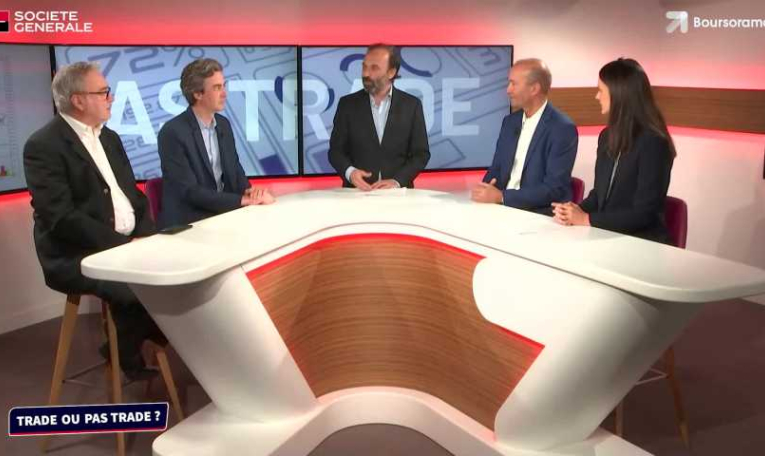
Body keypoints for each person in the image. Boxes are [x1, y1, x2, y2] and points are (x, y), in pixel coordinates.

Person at [24, 62, 164, 380]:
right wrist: (124, 244)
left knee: (182, 280)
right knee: (142, 291)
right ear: (78, 100)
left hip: (129, 244)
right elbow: (61, 218)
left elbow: (134, 197)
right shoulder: (43, 145)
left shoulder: (109, 137)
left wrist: (146, 237)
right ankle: (125, 350)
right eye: (103, 92)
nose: (110, 98)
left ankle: (123, 347)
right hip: (77, 253)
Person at [551, 58, 676, 244]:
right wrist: (574, 210)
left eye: (601, 90)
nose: (597, 96)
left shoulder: (654, 142)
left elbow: (644, 213)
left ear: (620, 95)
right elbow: (599, 195)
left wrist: (586, 219)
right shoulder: (607, 136)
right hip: (606, 235)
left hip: (642, 242)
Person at [157, 58, 274, 228]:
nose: (224, 93)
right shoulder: (172, 132)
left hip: (221, 215)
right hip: (189, 221)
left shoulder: (223, 124)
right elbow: (190, 191)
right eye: (217, 88)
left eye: (223, 86)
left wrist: (250, 191)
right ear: (198, 94)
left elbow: (234, 169)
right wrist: (243, 200)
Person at [471, 58, 578, 214]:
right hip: (502, 209)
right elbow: (496, 169)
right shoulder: (510, 122)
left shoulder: (562, 128)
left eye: (514, 84)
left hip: (538, 213)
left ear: (534, 88)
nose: (508, 90)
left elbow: (554, 189)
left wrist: (502, 197)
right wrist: (484, 190)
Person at [328, 43, 430, 190]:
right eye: (364, 67)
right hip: (357, 194)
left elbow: (421, 154)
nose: (366, 74)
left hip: (398, 196)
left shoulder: (412, 105)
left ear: (391, 72)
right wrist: (350, 173)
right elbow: (335, 152)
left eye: (374, 68)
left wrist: (397, 181)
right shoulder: (347, 105)